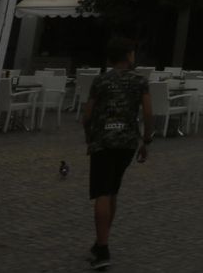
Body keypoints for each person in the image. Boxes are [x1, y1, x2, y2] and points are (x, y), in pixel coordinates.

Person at [81, 37, 153, 270]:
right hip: (127, 142)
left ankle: (102, 249)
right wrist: (146, 139)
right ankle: (101, 242)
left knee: (102, 192)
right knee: (112, 191)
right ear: (128, 56)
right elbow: (148, 114)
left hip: (103, 141)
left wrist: (89, 137)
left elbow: (88, 115)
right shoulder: (139, 81)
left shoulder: (101, 81)